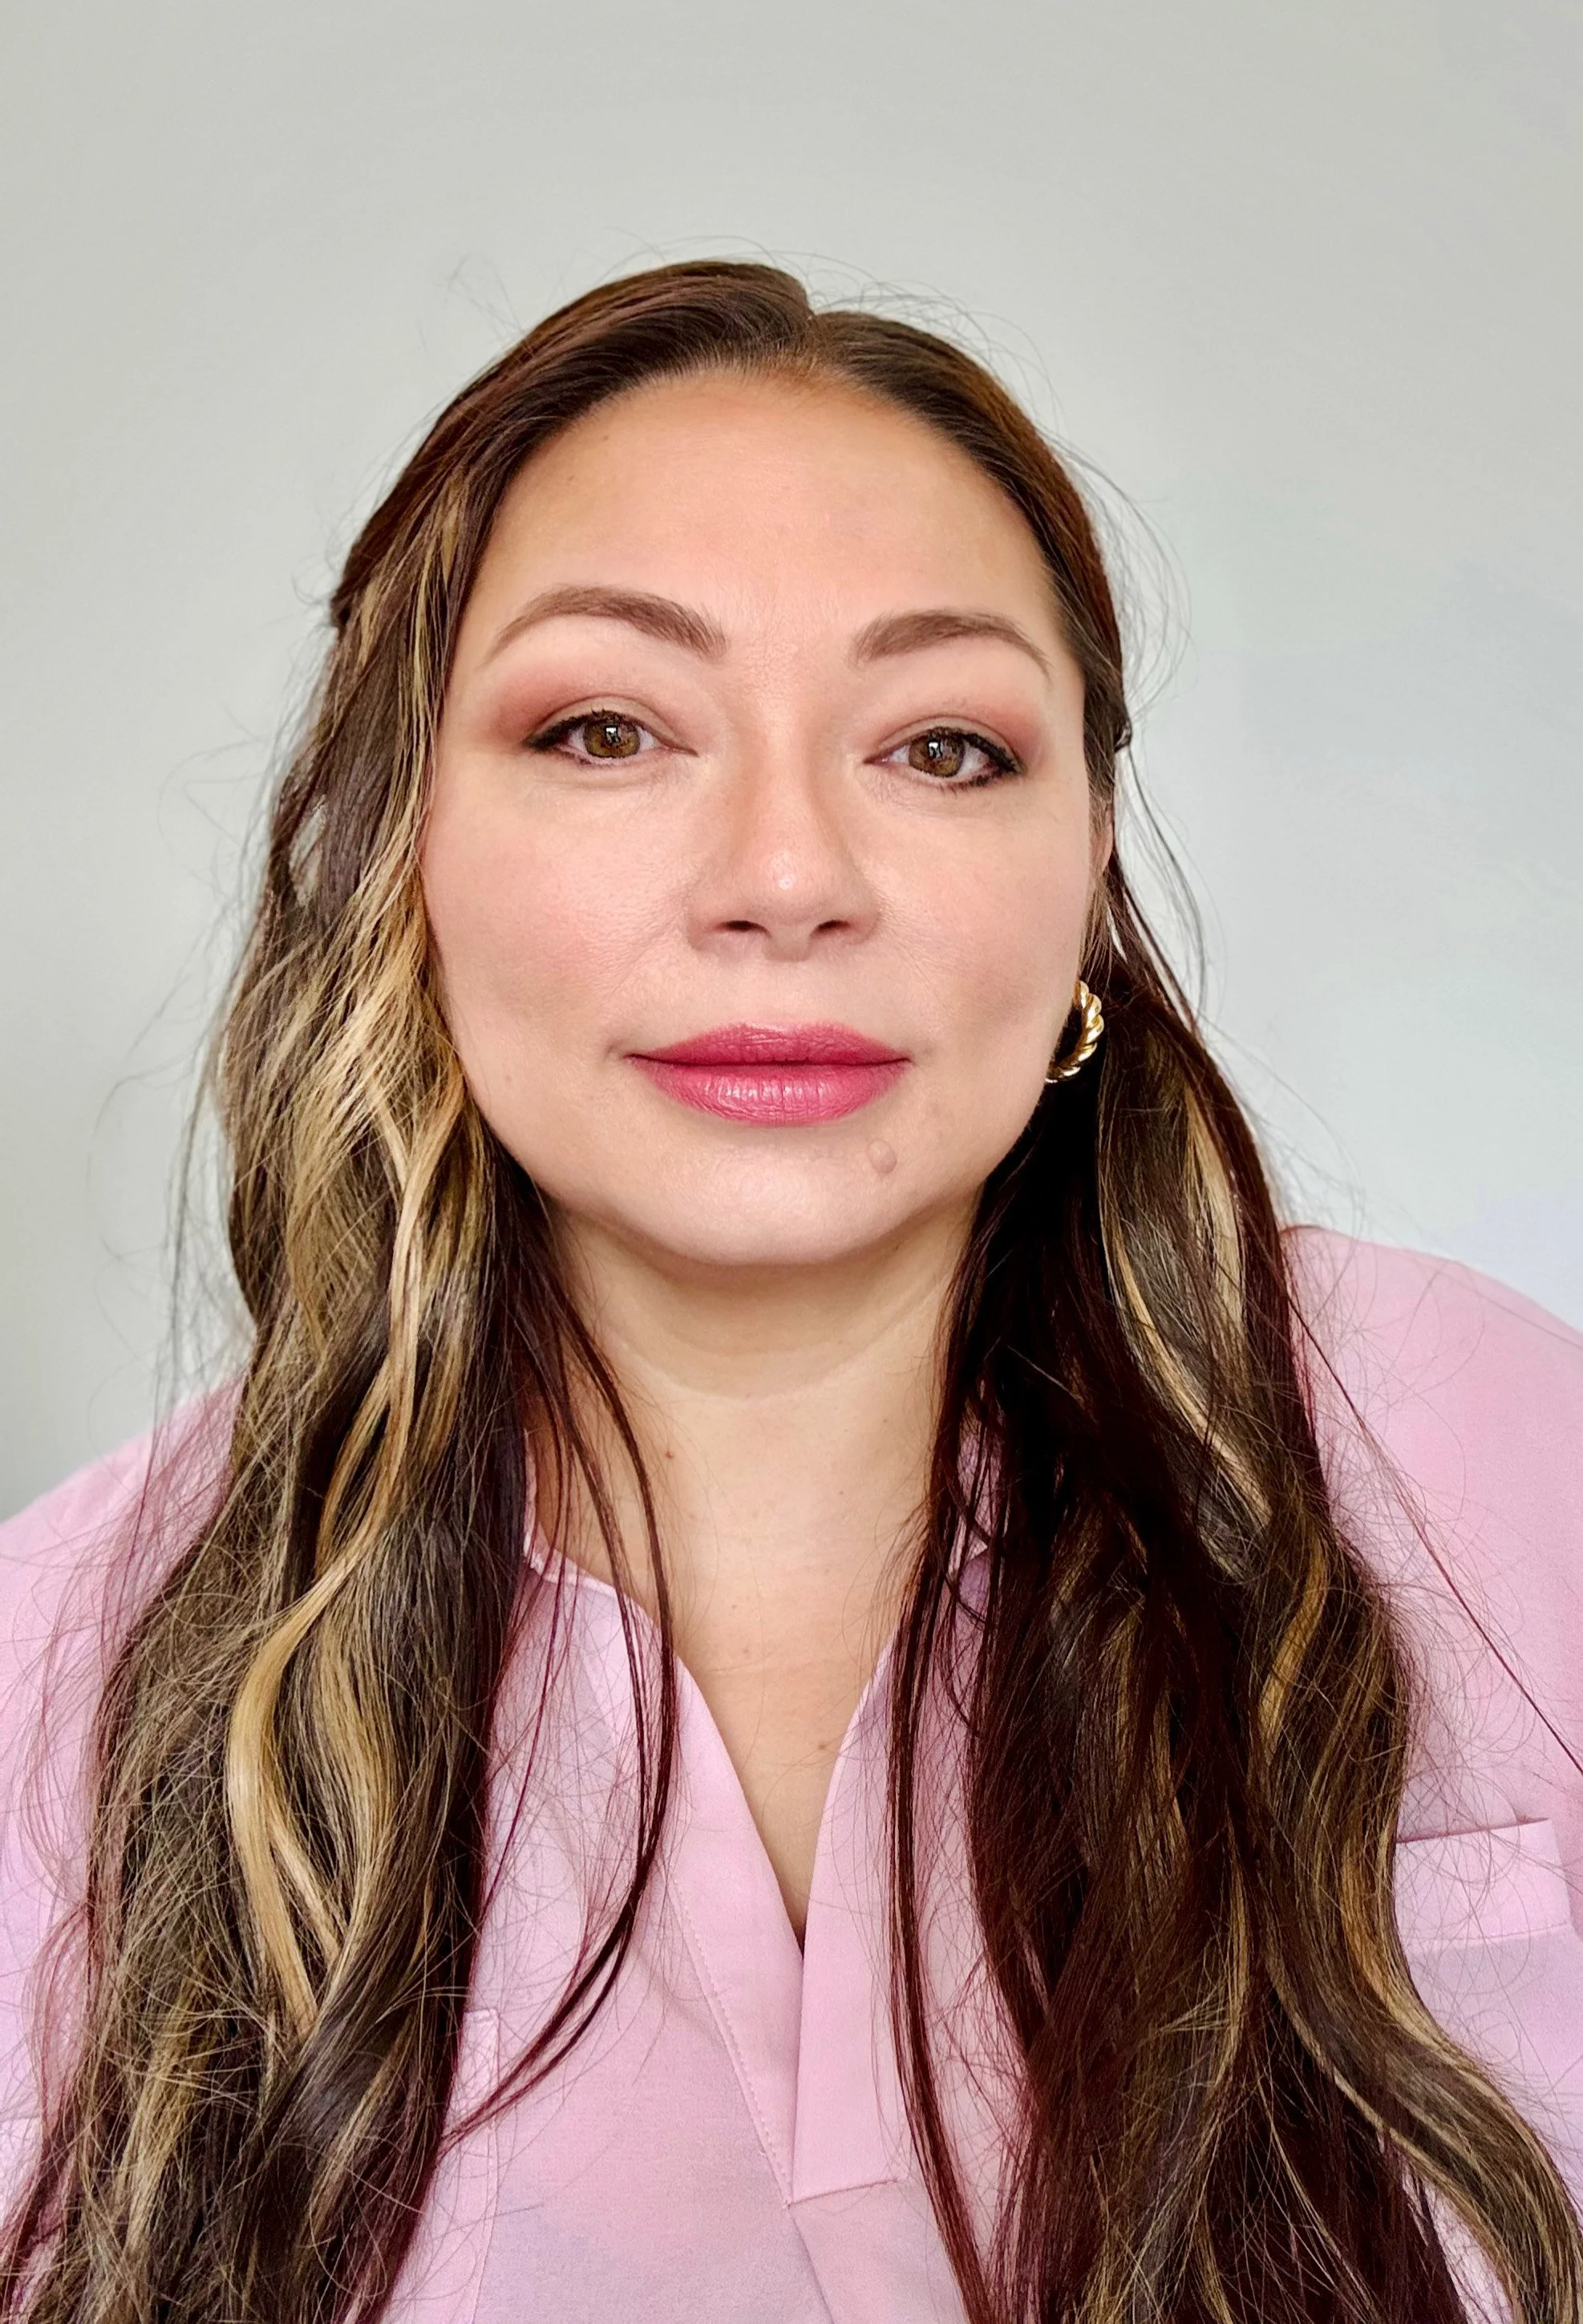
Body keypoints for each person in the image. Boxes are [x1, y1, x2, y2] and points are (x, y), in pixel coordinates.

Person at [2, 260, 1581, 2324]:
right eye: (605, 731)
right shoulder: (56, 1678)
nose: (786, 876)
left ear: (1089, 874)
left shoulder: (1481, 1450)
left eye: (942, 746)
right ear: (406, 850)